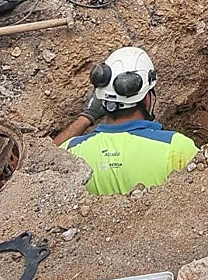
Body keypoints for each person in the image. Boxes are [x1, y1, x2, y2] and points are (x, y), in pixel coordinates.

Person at [53, 46, 198, 196]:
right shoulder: (176, 147)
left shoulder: (72, 151)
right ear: (147, 99)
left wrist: (86, 117)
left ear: (101, 99)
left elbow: (43, 159)